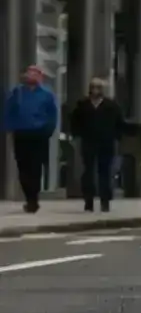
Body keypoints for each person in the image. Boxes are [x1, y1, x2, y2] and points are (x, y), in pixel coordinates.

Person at [5, 65, 58, 212]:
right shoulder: (18, 92)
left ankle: (33, 199)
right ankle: (28, 195)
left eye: (35, 74)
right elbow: (9, 110)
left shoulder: (46, 94)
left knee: (35, 167)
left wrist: (48, 130)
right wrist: (10, 127)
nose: (32, 76)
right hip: (21, 133)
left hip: (38, 134)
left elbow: (52, 114)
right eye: (29, 73)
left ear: (40, 77)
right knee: (22, 166)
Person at [69, 78, 124, 212]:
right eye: (93, 87)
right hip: (88, 142)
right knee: (88, 172)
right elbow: (74, 122)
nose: (95, 90)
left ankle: (105, 201)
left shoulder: (111, 105)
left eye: (98, 87)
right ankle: (88, 201)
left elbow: (119, 123)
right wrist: (76, 136)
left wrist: (116, 137)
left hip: (106, 142)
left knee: (104, 172)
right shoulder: (83, 105)